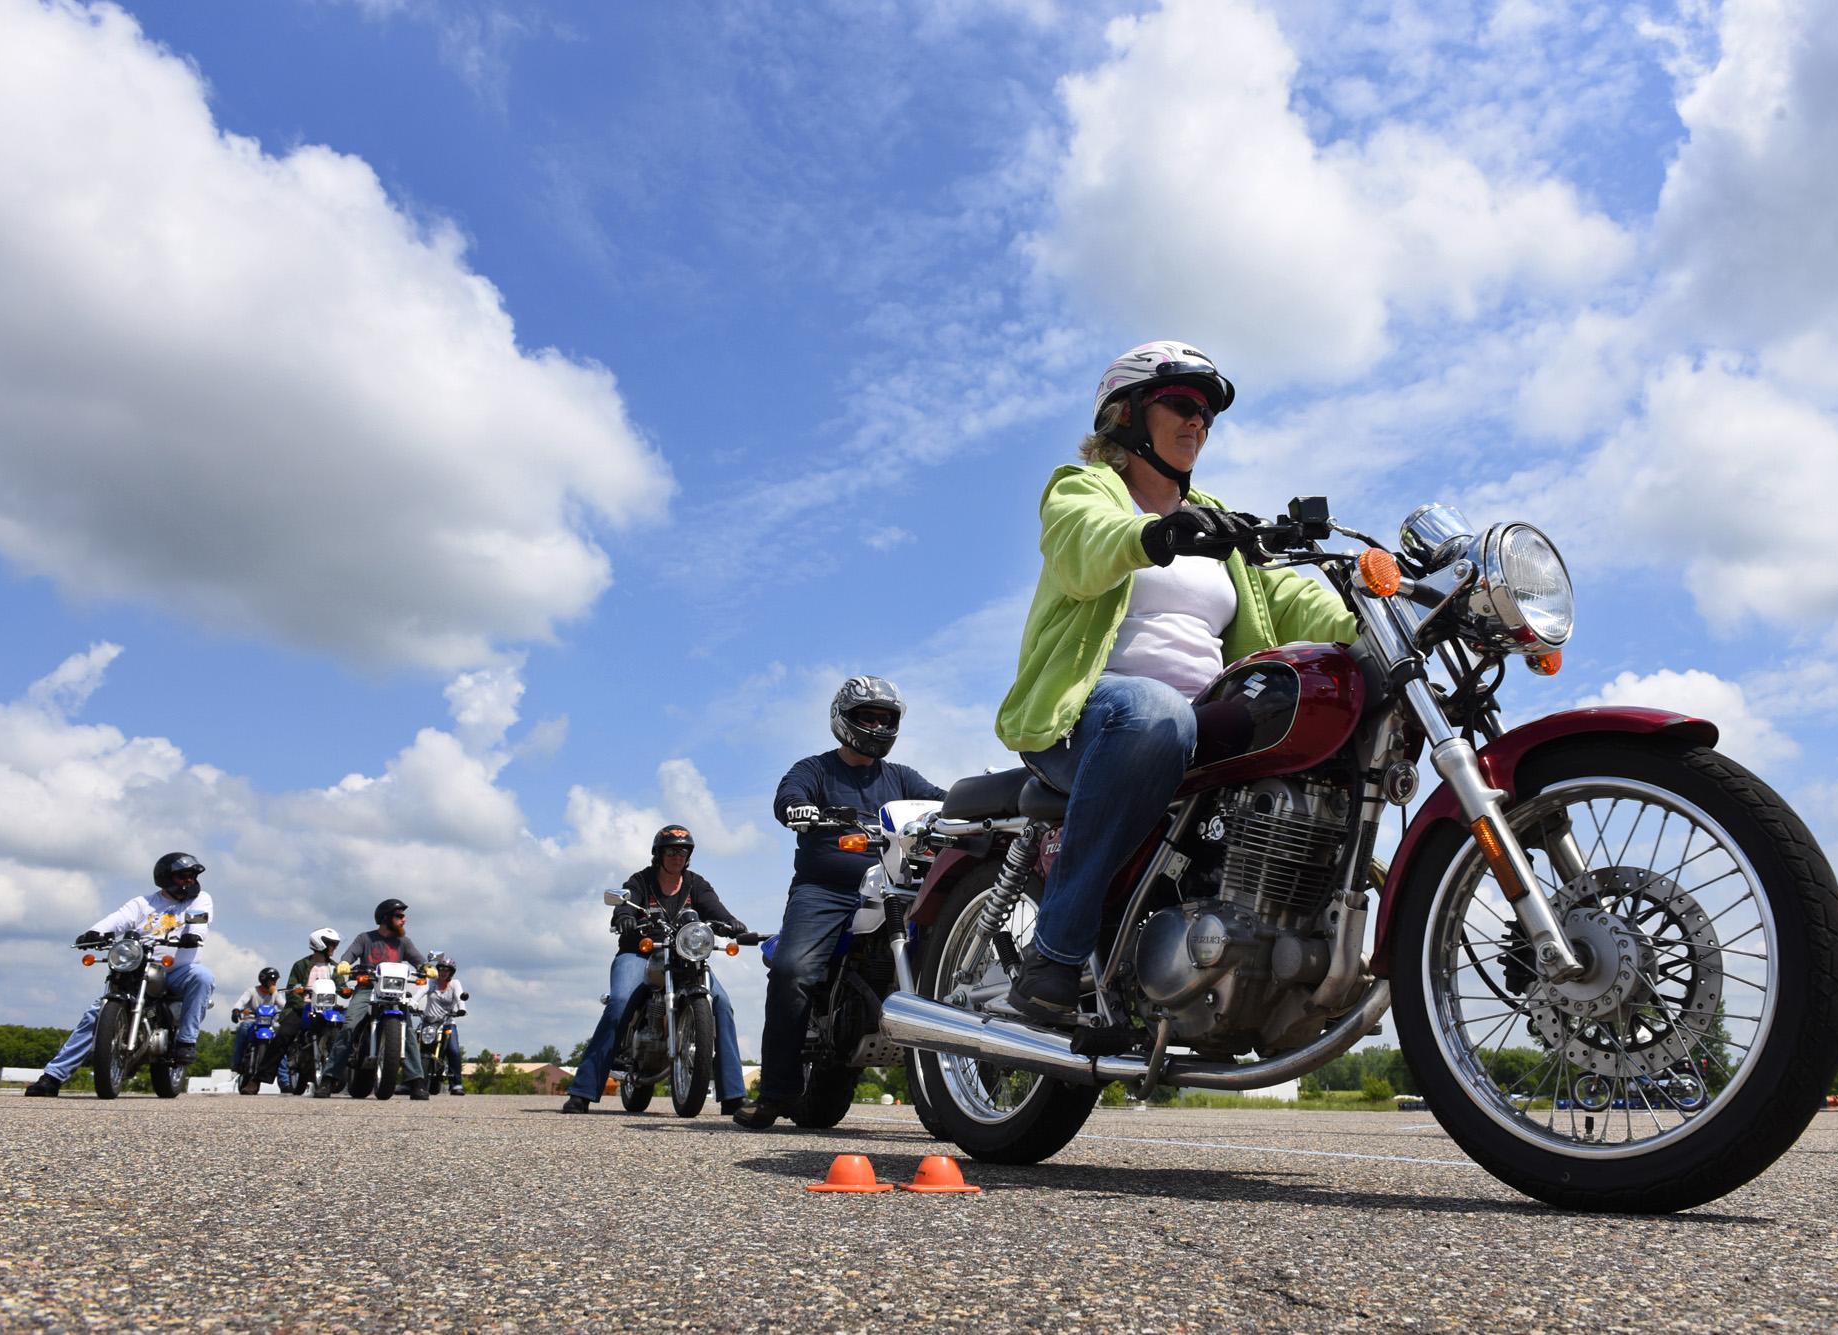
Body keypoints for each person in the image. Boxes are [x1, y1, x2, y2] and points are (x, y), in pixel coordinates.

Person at [994, 340, 1357, 1023]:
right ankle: (1055, 953)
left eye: (1208, 415)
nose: (1199, 423)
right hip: (1090, 717)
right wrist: (1155, 536)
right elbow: (1086, 542)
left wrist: (1371, 624)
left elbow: (1291, 600)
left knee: (1324, 719)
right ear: (1127, 415)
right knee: (1157, 712)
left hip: (1192, 723)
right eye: (1183, 405)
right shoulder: (1084, 488)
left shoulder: (1218, 520)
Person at [733, 678, 946, 1129]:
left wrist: (964, 809)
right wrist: (799, 809)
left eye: (885, 718)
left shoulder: (902, 778)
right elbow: (788, 796)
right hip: (825, 890)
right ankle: (775, 1093)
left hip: (897, 886)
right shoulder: (816, 770)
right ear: (844, 719)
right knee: (793, 971)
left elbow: (939, 803)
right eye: (867, 716)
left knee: (949, 965)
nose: (877, 725)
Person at [564, 826, 760, 1114]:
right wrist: (625, 917)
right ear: (658, 854)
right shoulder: (642, 881)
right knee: (619, 1003)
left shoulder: (696, 884)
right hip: (640, 953)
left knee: (723, 1004)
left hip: (686, 957)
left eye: (683, 851)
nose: (677, 856)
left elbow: (717, 910)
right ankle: (582, 1092)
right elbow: (625, 904)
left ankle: (733, 1094)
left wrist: (732, 923)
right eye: (671, 851)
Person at [25, 852, 217, 1097]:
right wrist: (94, 932)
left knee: (203, 977)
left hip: (178, 971)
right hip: (138, 968)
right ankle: (52, 1077)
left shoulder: (200, 900)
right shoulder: (142, 904)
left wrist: (195, 935)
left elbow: (199, 921)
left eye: (192, 876)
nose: (189, 881)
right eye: (183, 876)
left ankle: (186, 1042)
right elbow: (117, 920)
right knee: (96, 1015)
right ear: (166, 878)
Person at [318, 898, 432, 1100]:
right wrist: (345, 963)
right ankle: (329, 1078)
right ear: (385, 918)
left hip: (395, 992)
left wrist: (426, 968)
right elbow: (350, 953)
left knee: (410, 1033)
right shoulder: (365, 938)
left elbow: (418, 959)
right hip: (367, 988)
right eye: (399, 916)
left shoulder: (403, 942)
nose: (403, 920)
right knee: (349, 1026)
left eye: (403, 916)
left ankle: (416, 1081)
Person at [252, 927, 340, 1093]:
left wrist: (346, 990)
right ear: (320, 944)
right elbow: (292, 989)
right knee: (283, 1036)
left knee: (341, 1034)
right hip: (302, 1007)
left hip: (327, 1009)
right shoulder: (300, 965)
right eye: (331, 944)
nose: (334, 948)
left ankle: (336, 1076)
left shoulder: (335, 968)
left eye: (335, 945)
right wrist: (301, 1002)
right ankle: (258, 1079)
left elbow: (341, 986)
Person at [418, 953, 468, 1095]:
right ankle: (411, 1082)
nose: (443, 972)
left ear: (451, 972)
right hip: (429, 1022)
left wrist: (462, 1009)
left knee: (454, 1051)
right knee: (419, 1050)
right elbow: (420, 992)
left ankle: (456, 1084)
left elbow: (460, 998)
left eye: (447, 970)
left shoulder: (455, 984)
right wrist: (412, 1003)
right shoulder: (431, 982)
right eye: (441, 969)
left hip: (447, 1023)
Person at [229, 967, 283, 1092]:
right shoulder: (252, 991)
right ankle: (236, 1064)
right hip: (252, 1021)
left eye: (275, 981)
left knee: (281, 1040)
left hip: (269, 1024)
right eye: (271, 981)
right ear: (264, 980)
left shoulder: (275, 993)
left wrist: (286, 1010)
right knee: (243, 1027)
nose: (274, 983)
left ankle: (284, 1078)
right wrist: (236, 1010)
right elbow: (241, 1001)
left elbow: (283, 1004)